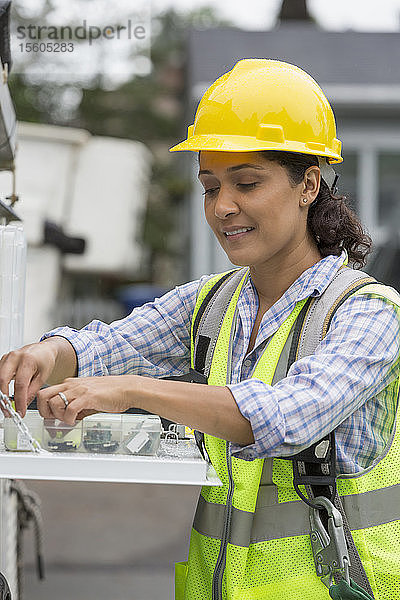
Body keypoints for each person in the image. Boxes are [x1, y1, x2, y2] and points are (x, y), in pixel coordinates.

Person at [1, 59, 400, 599]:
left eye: (247, 183)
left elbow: (284, 416)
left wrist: (131, 391)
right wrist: (49, 353)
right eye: (210, 187)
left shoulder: (370, 314)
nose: (223, 207)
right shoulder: (213, 303)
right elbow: (112, 348)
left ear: (308, 184)